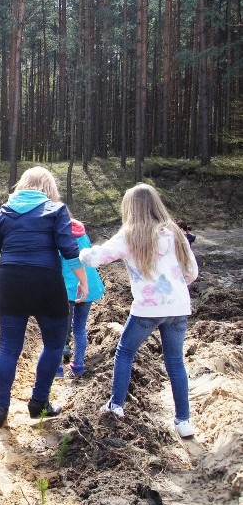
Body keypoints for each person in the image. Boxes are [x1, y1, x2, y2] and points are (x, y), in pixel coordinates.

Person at [81, 183, 198, 438]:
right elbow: (192, 271)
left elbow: (97, 257)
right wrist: (176, 290)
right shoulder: (175, 233)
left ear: (130, 207)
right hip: (178, 306)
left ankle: (116, 406)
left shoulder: (131, 234)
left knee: (125, 352)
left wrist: (82, 253)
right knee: (175, 362)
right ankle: (183, 421)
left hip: (147, 308)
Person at [0, 166, 88, 428]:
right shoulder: (55, 211)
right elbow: (69, 249)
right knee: (53, 344)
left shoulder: (2, 213)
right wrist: (83, 281)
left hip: (11, 280)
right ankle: (39, 403)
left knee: (8, 346)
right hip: (46, 280)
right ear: (48, 188)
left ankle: (1, 406)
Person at [57, 217, 105, 378]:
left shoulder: (59, 235)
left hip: (67, 287)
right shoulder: (82, 234)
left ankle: (57, 368)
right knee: (79, 327)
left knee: (60, 326)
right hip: (88, 285)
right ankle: (78, 366)